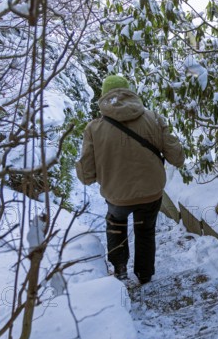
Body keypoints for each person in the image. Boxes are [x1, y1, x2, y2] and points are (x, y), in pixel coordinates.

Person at [76, 75, 185, 284]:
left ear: (103, 97)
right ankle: (145, 274)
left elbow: (86, 175)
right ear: (130, 92)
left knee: (116, 225)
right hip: (151, 192)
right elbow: (177, 158)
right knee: (145, 230)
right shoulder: (154, 118)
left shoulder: (93, 128)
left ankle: (119, 269)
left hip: (116, 196)